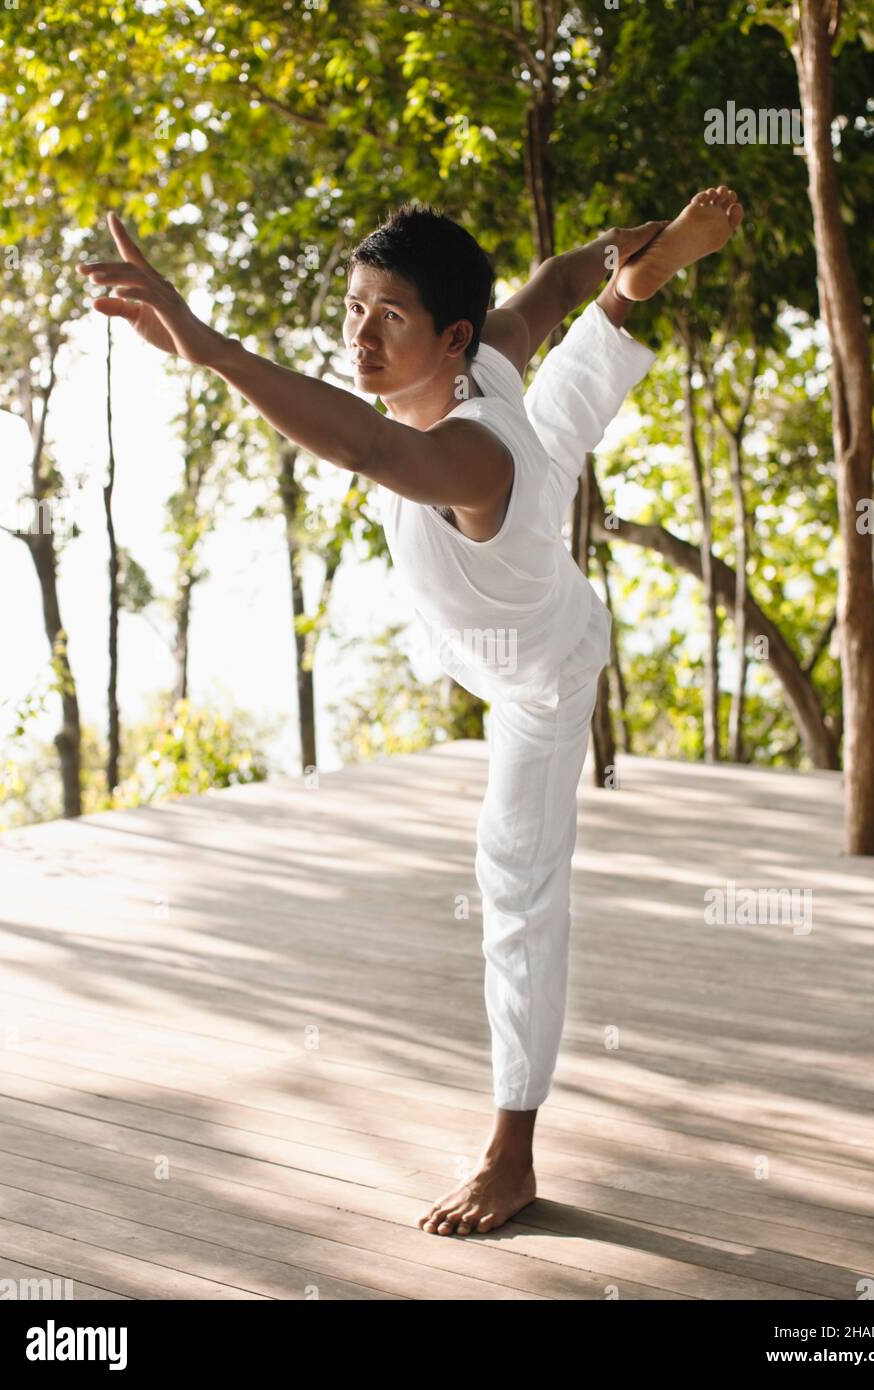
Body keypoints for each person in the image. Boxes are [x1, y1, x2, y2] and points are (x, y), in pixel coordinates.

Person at [75, 185, 743, 1238]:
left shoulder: (466, 453)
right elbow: (553, 278)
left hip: (543, 667)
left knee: (515, 883)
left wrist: (205, 344)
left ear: (452, 337)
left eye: (390, 316)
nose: (361, 334)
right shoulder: (493, 352)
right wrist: (632, 248)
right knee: (572, 345)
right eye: (354, 307)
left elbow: (374, 453)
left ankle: (511, 1154)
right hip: (524, 510)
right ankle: (637, 286)